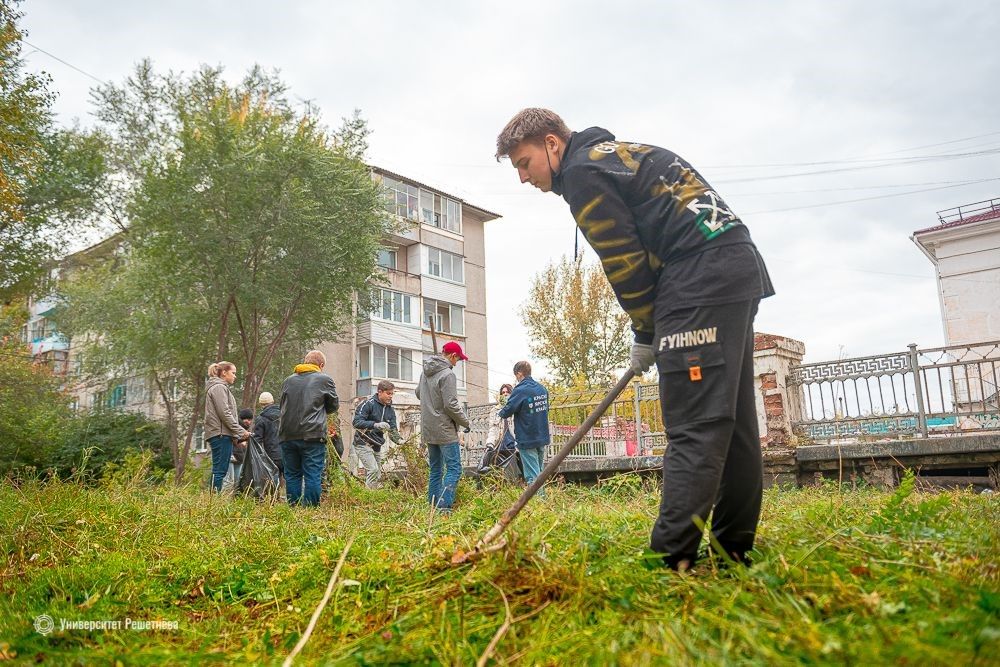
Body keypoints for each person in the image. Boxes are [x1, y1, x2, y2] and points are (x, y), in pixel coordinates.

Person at [496, 109, 775, 571]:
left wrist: (646, 329)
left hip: (698, 280)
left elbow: (622, 260)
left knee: (694, 425)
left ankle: (670, 558)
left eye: (525, 163)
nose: (524, 178)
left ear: (551, 144)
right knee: (734, 423)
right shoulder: (619, 155)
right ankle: (733, 551)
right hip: (735, 267)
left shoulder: (584, 172)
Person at [278, 350, 339, 507]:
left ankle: (294, 508)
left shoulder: (288, 380)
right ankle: (310, 510)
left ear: (305, 362)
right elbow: (333, 406)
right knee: (313, 474)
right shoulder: (325, 380)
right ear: (321, 365)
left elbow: (282, 406)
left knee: (292, 474)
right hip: (312, 434)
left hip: (287, 434)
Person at [415, 340, 471, 512]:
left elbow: (418, 393)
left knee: (436, 469)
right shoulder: (448, 374)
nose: (457, 363)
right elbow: (451, 405)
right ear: (452, 356)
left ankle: (432, 506)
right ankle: (443, 507)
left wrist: (430, 399)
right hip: (445, 430)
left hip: (429, 429)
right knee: (454, 469)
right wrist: (465, 422)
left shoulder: (425, 372)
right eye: (458, 359)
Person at [497, 362, 550, 487]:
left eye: (516, 375)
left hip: (527, 438)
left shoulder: (520, 390)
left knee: (532, 475)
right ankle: (543, 501)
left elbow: (507, 411)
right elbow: (546, 409)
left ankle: (538, 503)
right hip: (542, 436)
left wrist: (500, 412)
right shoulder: (542, 389)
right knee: (539, 472)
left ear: (519, 373)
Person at [204, 361, 250, 493]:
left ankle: (211, 499)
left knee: (219, 469)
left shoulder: (219, 387)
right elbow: (225, 413)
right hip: (221, 434)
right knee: (220, 470)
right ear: (224, 373)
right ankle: (213, 501)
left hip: (221, 433)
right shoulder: (219, 388)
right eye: (233, 373)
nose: (235, 376)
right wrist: (241, 431)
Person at [352, 379, 403, 488]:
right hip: (363, 442)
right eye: (388, 393)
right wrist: (375, 424)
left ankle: (371, 496)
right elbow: (356, 422)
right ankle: (368, 497)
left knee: (377, 474)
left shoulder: (390, 410)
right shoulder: (368, 404)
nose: (390, 396)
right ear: (380, 392)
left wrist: (399, 440)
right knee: (373, 470)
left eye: (392, 394)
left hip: (377, 445)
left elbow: (392, 429)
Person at [476, 383, 521, 479]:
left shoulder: (517, 409)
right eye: (503, 392)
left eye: (507, 392)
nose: (505, 394)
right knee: (499, 471)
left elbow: (519, 429)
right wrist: (490, 444)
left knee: (516, 471)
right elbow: (493, 429)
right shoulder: (495, 411)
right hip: (500, 444)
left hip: (513, 444)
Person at [253, 391, 282, 484]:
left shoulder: (261, 419)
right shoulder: (284, 414)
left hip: (271, 454)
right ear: (272, 401)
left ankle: (274, 497)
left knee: (273, 477)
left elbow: (257, 440)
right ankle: (291, 498)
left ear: (261, 403)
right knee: (291, 477)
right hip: (287, 451)